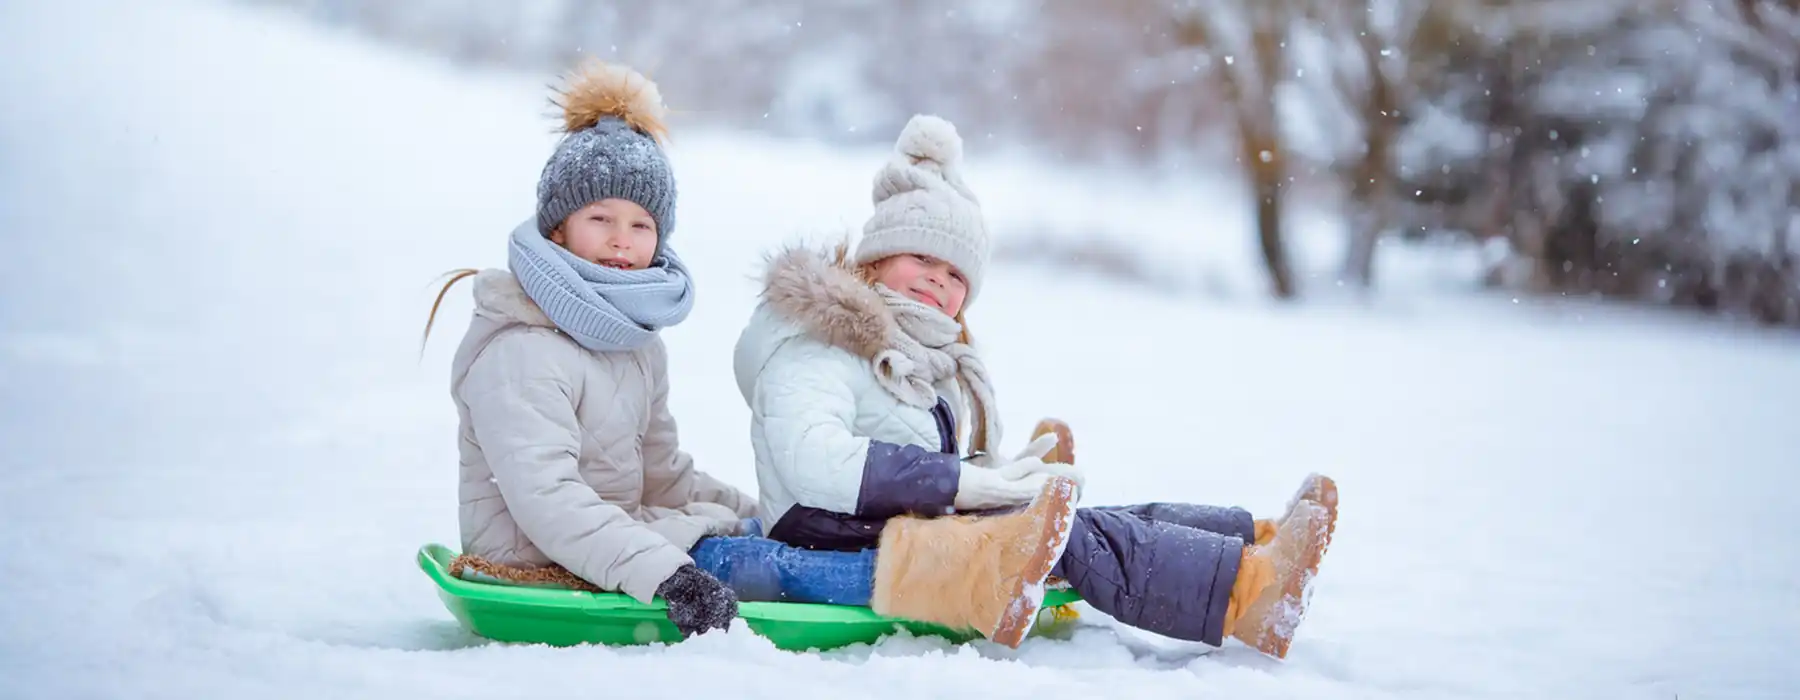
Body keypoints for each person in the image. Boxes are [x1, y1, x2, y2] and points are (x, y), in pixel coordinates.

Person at [732, 114, 1340, 657]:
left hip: (878, 523)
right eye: (921, 258)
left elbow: (905, 455)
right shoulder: (819, 340)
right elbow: (813, 458)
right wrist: (969, 485)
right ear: (874, 260)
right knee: (1068, 537)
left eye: (954, 273)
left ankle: (1252, 539)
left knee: (1081, 518)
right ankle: (1247, 594)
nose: (938, 281)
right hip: (833, 540)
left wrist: (994, 473)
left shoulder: (917, 352)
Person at [422, 60, 756, 639]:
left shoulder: (634, 343)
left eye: (641, 224)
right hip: (535, 564)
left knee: (764, 537)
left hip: (614, 542)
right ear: (558, 230)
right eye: (599, 217)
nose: (621, 238)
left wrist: (765, 513)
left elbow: (664, 478)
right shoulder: (521, 349)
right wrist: (668, 574)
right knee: (777, 569)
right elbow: (546, 500)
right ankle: (912, 591)